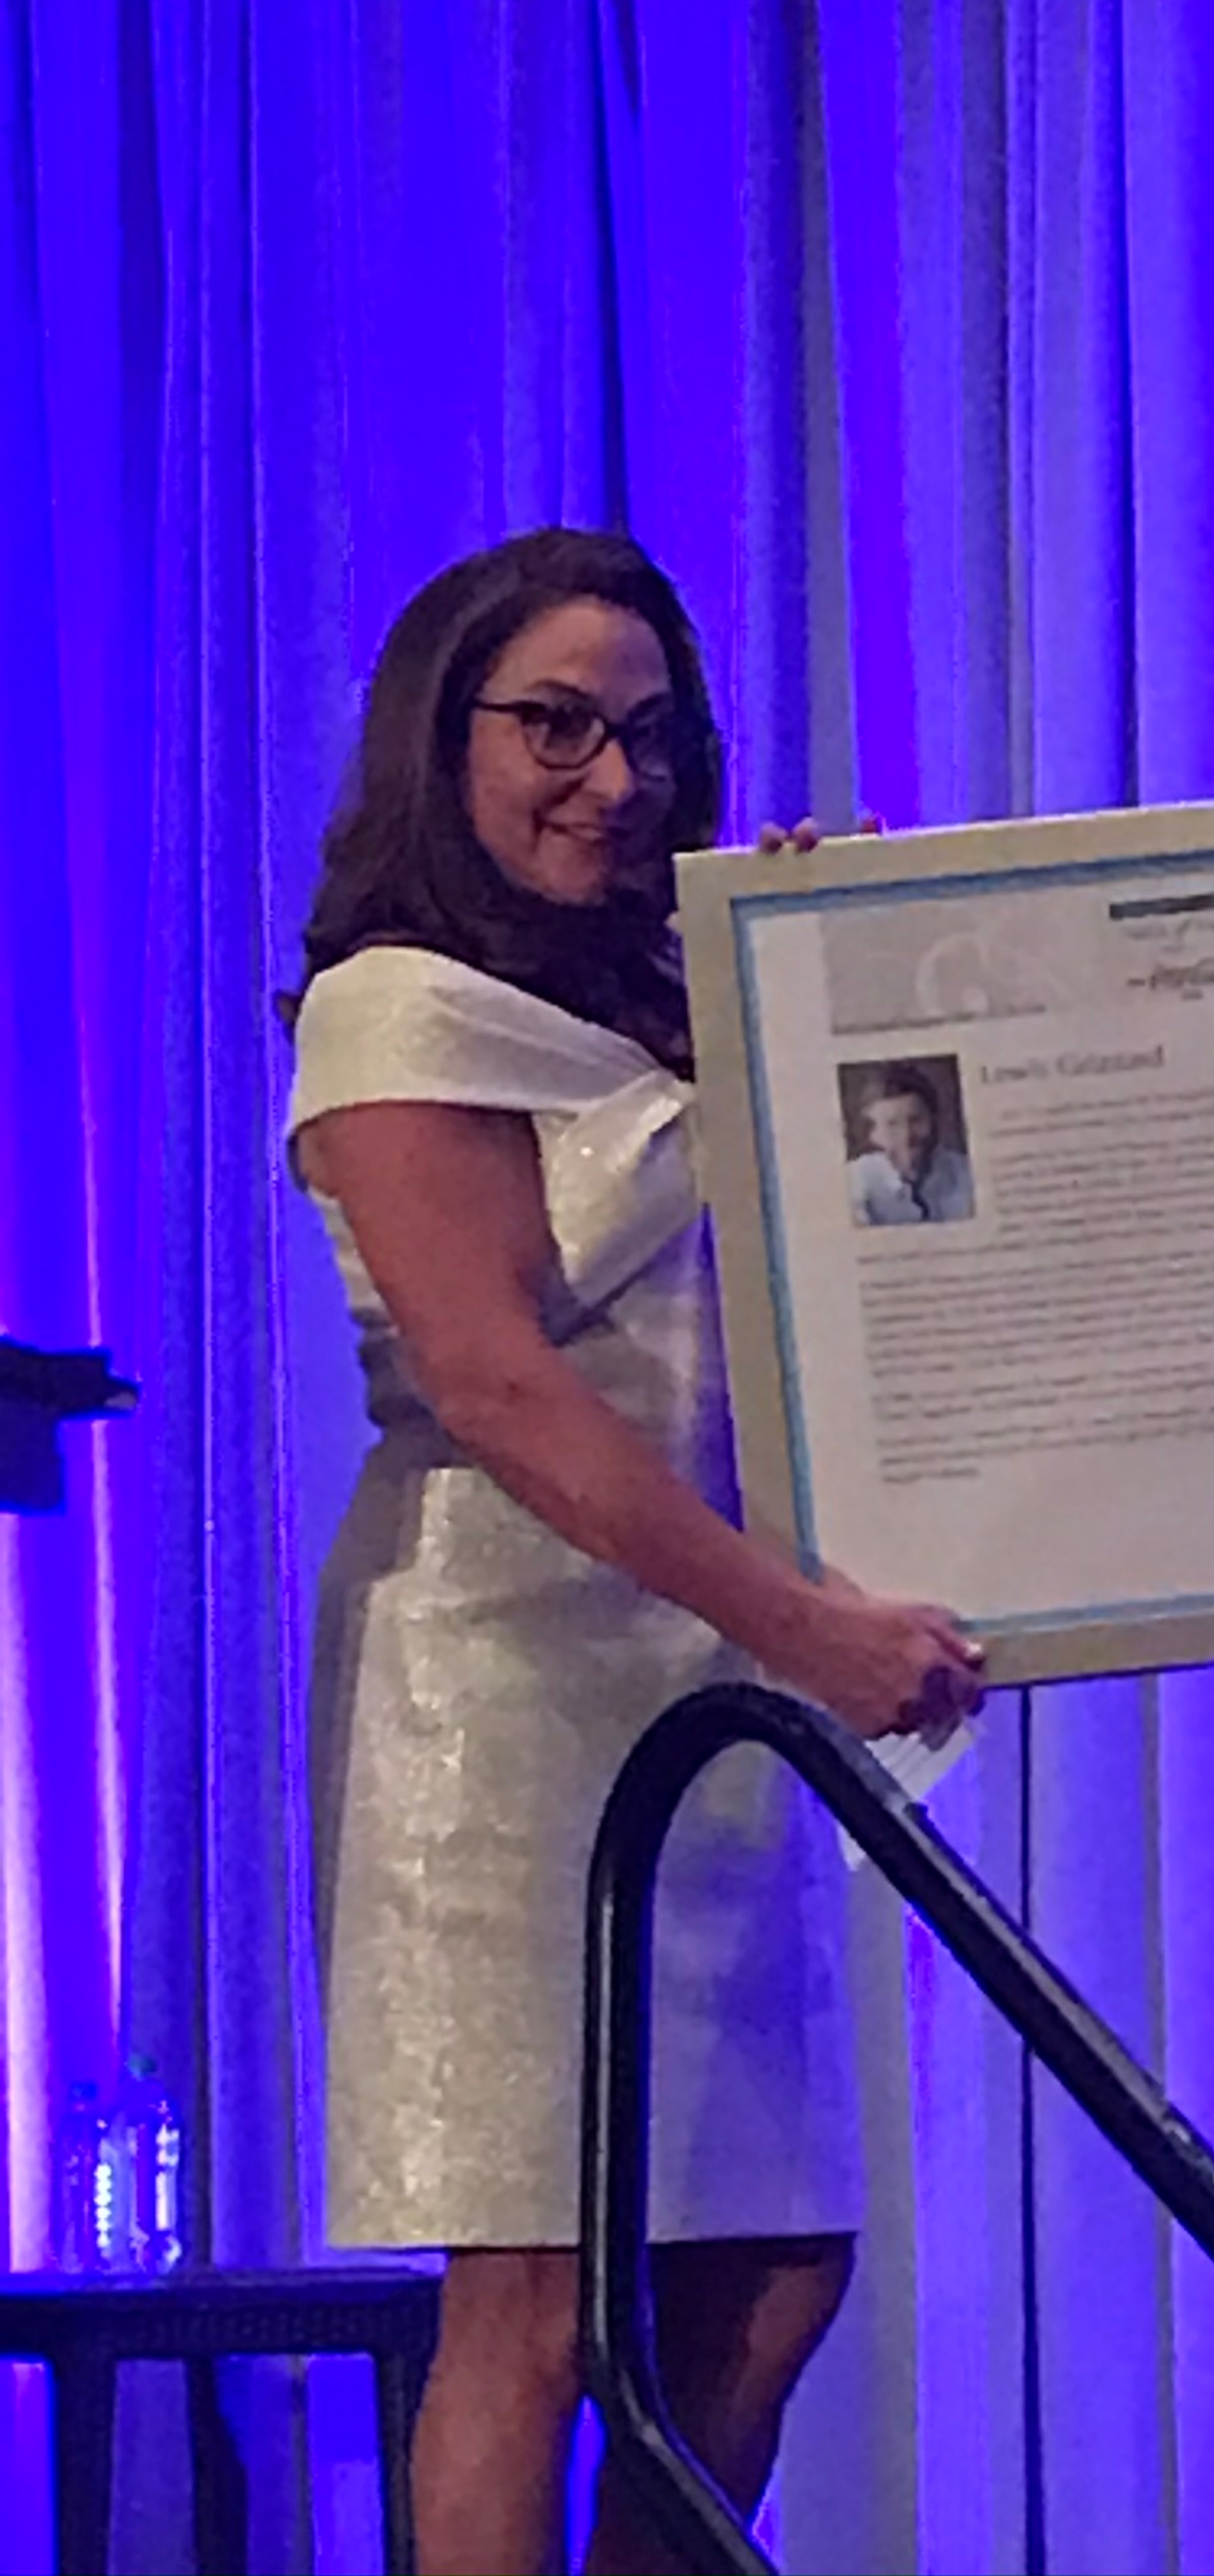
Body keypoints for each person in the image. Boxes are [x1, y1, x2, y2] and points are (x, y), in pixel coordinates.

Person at [283, 526, 983, 2576]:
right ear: (446, 736)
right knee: (534, 2288)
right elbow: (498, 1386)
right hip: (503, 1692)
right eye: (559, 726)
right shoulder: (394, 1007)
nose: (615, 776)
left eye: (652, 734)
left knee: (766, 2274)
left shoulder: (690, 981)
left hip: (711, 1675)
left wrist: (844, 963)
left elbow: (901, 1223)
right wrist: (808, 1627)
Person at [846, 1063, 976, 1226]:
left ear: (935, 1120)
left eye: (915, 1121)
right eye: (892, 1124)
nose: (907, 1136)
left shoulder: (967, 1174)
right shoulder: (854, 1183)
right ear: (874, 1134)